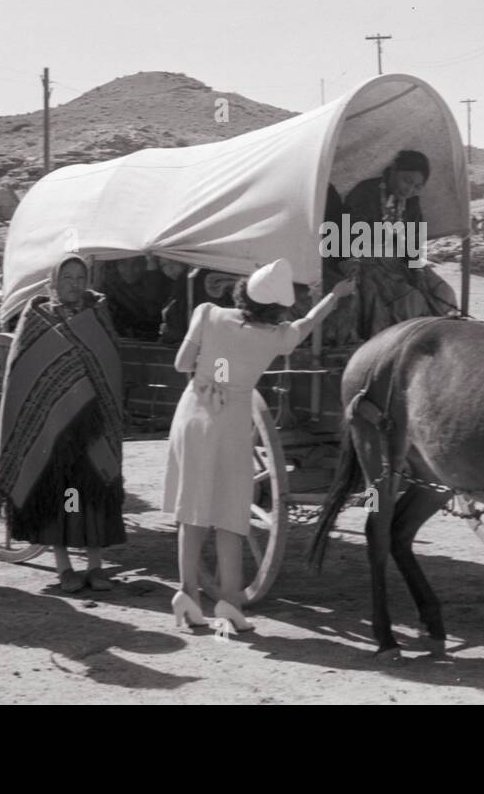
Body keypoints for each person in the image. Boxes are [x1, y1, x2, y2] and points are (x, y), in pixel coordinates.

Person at [164, 259, 356, 631]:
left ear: (243, 290)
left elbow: (181, 363)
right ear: (278, 305)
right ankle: (230, 602)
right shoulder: (277, 336)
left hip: (194, 415)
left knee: (193, 510)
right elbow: (308, 323)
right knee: (230, 515)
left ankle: (187, 594)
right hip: (232, 423)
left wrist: (214, 371)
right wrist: (335, 294)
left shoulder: (207, 314)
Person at [0, 254, 126, 593]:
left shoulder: (98, 315)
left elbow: (109, 365)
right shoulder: (38, 319)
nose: (74, 283)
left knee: (94, 493)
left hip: (93, 430)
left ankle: (96, 566)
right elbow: (23, 374)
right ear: (53, 281)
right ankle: (64, 565)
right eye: (67, 276)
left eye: (80, 277)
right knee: (65, 496)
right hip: (54, 432)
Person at [339, 150, 458, 339]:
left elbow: (414, 241)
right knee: (411, 300)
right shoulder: (365, 192)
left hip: (399, 262)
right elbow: (348, 234)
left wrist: (417, 271)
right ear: (393, 170)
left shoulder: (411, 203)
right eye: (407, 180)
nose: (409, 190)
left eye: (417, 186)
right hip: (366, 262)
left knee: (445, 294)